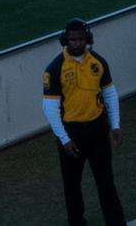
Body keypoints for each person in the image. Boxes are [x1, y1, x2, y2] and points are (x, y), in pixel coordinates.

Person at [43, 19, 125, 226]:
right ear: (65, 40)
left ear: (87, 39)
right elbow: (50, 108)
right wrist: (64, 139)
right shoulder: (54, 69)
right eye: (73, 39)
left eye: (81, 39)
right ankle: (76, 222)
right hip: (72, 133)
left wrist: (115, 125)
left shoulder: (98, 62)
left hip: (97, 129)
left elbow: (110, 94)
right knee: (71, 185)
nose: (78, 43)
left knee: (106, 182)